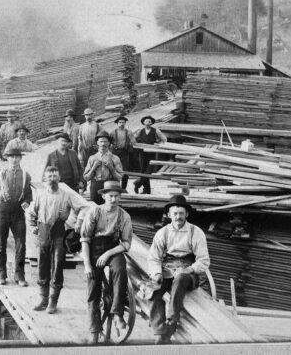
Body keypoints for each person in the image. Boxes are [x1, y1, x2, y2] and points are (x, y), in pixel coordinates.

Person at [148, 195, 210, 344]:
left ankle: (172, 319)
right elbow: (154, 257)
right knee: (153, 288)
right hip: (168, 267)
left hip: (188, 271)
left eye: (181, 213)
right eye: (175, 213)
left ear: (187, 214)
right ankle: (159, 332)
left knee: (180, 279)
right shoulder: (162, 233)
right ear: (169, 215)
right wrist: (156, 273)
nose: (178, 217)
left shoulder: (196, 232)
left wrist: (189, 269)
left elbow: (204, 260)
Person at [26, 166, 88, 314]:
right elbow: (30, 212)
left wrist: (78, 221)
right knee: (42, 264)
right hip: (43, 230)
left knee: (58, 264)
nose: (52, 179)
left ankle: (53, 301)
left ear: (59, 178)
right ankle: (43, 300)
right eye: (49, 177)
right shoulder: (40, 195)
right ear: (45, 179)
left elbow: (84, 207)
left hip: (59, 232)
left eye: (54, 176)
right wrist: (33, 225)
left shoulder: (67, 194)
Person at [80, 180, 133, 344]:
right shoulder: (94, 212)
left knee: (120, 269)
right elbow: (85, 239)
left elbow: (126, 244)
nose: (114, 199)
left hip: (113, 248)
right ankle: (95, 330)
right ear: (103, 196)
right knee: (93, 288)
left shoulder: (124, 216)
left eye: (117, 196)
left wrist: (109, 253)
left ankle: (117, 314)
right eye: (111, 196)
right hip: (94, 248)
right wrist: (87, 264)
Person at [0, 148, 32, 286]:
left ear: (20, 158)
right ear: (7, 158)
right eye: (11, 157)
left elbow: (28, 194)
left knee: (21, 245)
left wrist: (26, 201)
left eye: (16, 157)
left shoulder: (26, 175)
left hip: (18, 213)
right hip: (2, 212)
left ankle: (19, 275)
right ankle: (1, 274)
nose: (14, 160)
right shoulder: (1, 175)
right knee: (1, 244)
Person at [83, 131, 123, 205]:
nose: (103, 144)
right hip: (95, 186)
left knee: (108, 208)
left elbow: (119, 177)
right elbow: (86, 178)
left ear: (108, 143)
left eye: (105, 142)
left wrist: (111, 168)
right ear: (97, 143)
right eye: (101, 141)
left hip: (109, 185)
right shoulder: (92, 158)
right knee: (94, 208)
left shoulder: (114, 158)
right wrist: (94, 167)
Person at [133, 115, 167, 194]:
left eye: (149, 122)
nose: (147, 123)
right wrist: (137, 144)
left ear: (151, 123)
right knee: (143, 171)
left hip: (151, 153)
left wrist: (158, 145)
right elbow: (134, 138)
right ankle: (146, 190)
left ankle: (138, 183)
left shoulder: (156, 130)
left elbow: (164, 139)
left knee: (149, 171)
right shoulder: (140, 131)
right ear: (143, 123)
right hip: (142, 153)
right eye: (146, 121)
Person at [110, 116, 136, 190]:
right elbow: (108, 142)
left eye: (123, 122)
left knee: (125, 171)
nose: (121, 124)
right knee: (114, 169)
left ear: (125, 123)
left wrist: (131, 141)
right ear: (117, 124)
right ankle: (115, 186)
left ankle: (123, 188)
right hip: (115, 152)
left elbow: (134, 142)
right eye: (120, 122)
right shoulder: (113, 132)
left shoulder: (129, 132)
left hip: (125, 152)